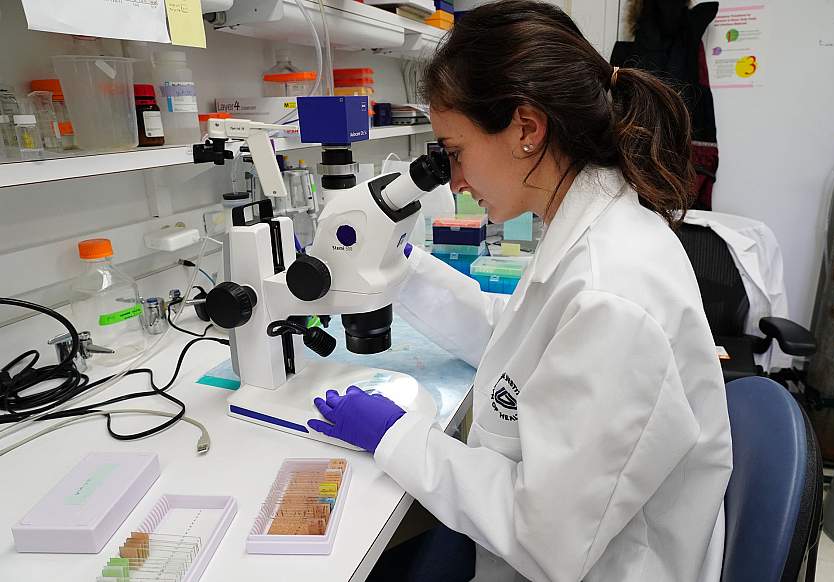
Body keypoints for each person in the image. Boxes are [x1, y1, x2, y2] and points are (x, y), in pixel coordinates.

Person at [307, 1, 733, 580]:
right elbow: (517, 337)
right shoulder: (588, 220)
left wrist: (398, 439)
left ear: (526, 129)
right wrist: (397, 269)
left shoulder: (613, 294)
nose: (454, 180)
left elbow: (545, 538)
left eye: (456, 152)